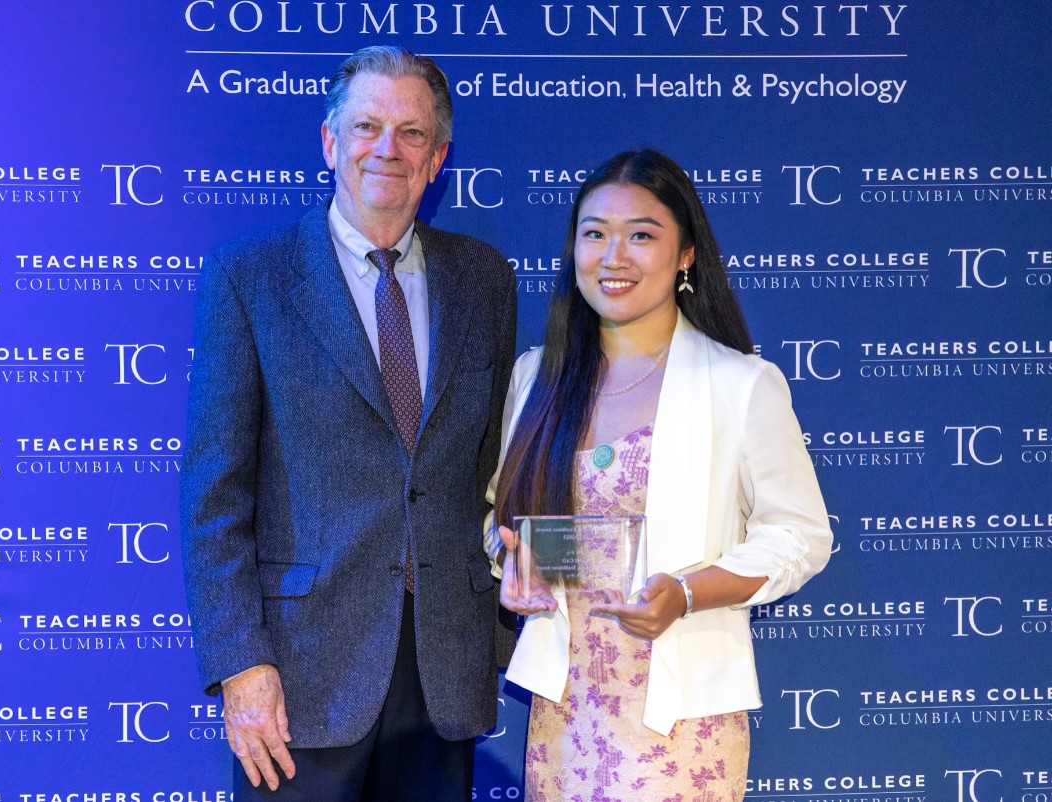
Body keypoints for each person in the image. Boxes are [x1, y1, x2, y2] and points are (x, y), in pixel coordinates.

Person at [180, 46, 517, 801]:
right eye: (367, 126)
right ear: (331, 143)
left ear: (438, 158)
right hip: (300, 676)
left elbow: (492, 470)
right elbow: (215, 495)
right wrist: (242, 664)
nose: (387, 149)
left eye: (411, 132)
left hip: (444, 670)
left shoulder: (485, 279)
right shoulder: (251, 275)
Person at [484, 150, 831, 801]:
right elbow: (500, 516)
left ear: (686, 254)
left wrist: (686, 590)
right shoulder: (539, 376)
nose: (614, 255)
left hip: (681, 715)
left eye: (641, 234)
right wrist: (515, 563)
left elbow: (801, 535)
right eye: (595, 233)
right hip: (566, 713)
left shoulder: (739, 384)